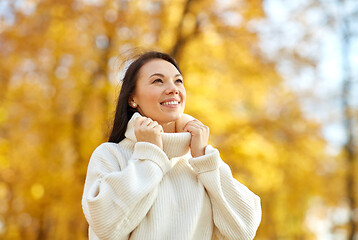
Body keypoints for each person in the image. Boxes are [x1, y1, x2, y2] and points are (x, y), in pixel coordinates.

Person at [82, 51, 262, 240]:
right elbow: (105, 228)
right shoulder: (110, 155)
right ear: (132, 98)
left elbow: (244, 230)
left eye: (178, 81)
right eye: (158, 81)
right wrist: (150, 155)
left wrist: (204, 158)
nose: (173, 89)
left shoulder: (199, 161)